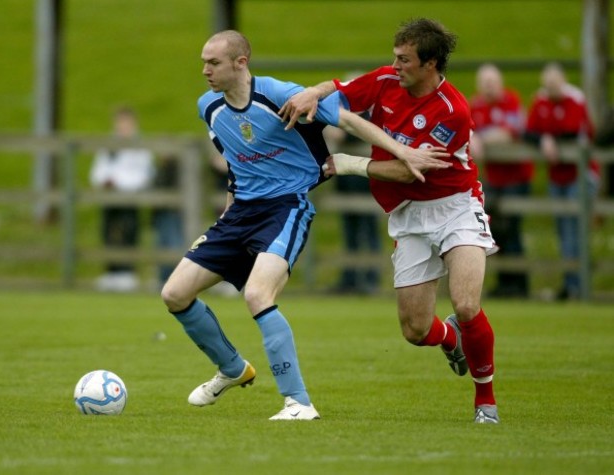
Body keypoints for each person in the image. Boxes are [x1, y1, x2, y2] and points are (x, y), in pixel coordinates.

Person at [160, 30, 449, 421]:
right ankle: (232, 369)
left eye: (213, 63)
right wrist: (226, 216)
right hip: (239, 213)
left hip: (285, 208)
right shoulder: (208, 107)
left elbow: (348, 120)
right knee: (174, 293)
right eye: (203, 62)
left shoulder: (280, 95)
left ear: (240, 63)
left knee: (258, 295)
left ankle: (298, 403)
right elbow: (236, 161)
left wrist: (402, 151)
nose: (205, 70)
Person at [280, 18, 501, 423]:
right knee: (416, 330)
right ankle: (451, 339)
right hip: (408, 216)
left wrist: (346, 163)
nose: (394, 65)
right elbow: (341, 93)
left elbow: (409, 171)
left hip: (455, 206)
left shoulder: (452, 111)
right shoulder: (386, 80)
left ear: (431, 64)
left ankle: (485, 402)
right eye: (394, 57)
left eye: (405, 60)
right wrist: (312, 92)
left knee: (467, 304)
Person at [524, 62, 599, 301]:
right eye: (547, 86)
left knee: (575, 231)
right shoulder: (541, 99)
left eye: (554, 85)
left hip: (580, 174)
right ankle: (571, 284)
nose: (551, 90)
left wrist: (548, 139)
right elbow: (529, 131)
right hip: (558, 176)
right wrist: (544, 139)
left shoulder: (575, 99)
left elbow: (574, 131)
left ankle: (578, 286)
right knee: (562, 230)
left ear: (563, 81)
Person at [469, 63, 532, 298]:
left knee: (513, 228)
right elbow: (467, 130)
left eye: (492, 82)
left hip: (516, 177)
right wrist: (474, 137)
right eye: (484, 83)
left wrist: (481, 139)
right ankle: (505, 283)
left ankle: (519, 285)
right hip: (493, 179)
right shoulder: (476, 105)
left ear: (500, 83)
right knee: (494, 229)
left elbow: (509, 132)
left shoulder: (511, 101)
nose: (488, 88)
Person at [90, 107, 155, 292]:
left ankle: (127, 273)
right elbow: (99, 169)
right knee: (108, 233)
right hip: (110, 197)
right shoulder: (109, 144)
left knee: (129, 233)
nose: (123, 127)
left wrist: (121, 183)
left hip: (129, 197)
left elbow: (144, 173)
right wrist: (104, 181)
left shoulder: (140, 146)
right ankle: (112, 272)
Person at [324, 113, 381, 294]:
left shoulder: (368, 110)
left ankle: (371, 278)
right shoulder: (342, 108)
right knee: (350, 231)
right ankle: (350, 278)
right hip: (346, 180)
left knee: (369, 228)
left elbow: (357, 132)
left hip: (364, 180)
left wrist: (340, 133)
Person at [152, 154, 184, 287]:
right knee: (164, 243)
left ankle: (170, 279)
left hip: (173, 212)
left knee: (172, 244)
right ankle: (165, 279)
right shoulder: (163, 171)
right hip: (165, 212)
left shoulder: (176, 170)